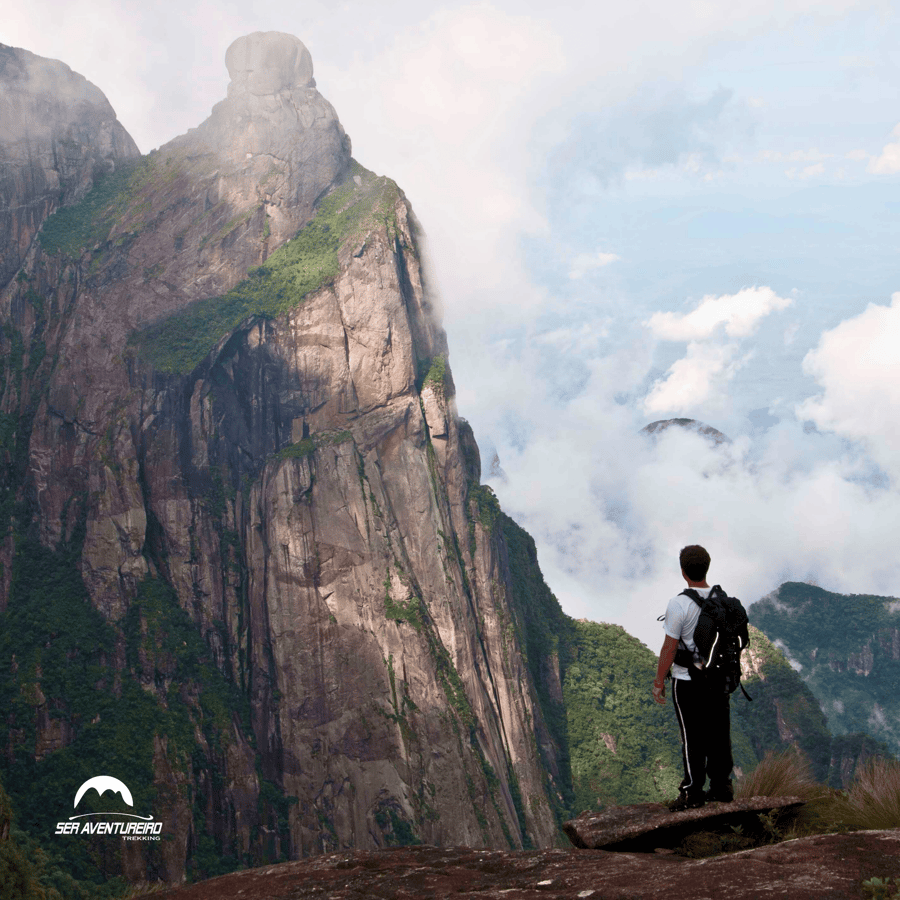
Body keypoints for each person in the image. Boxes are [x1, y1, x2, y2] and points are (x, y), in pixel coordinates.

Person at [651, 545, 734, 810]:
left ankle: (692, 792)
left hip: (688, 681)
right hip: (719, 680)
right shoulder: (722, 600)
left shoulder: (679, 604)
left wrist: (658, 681)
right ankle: (721, 787)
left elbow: (669, 647)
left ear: (684, 571)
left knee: (693, 737)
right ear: (707, 567)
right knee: (719, 734)